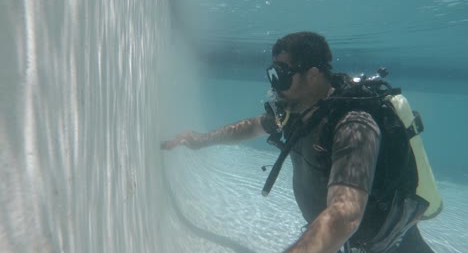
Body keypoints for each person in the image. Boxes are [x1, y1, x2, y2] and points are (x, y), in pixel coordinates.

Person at [161, 31, 440, 253]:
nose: (275, 86)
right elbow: (249, 127)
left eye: (282, 75)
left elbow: (345, 214)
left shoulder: (354, 125)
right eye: (273, 74)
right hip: (339, 240)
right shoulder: (297, 110)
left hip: (389, 244)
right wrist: (199, 140)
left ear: (313, 74)